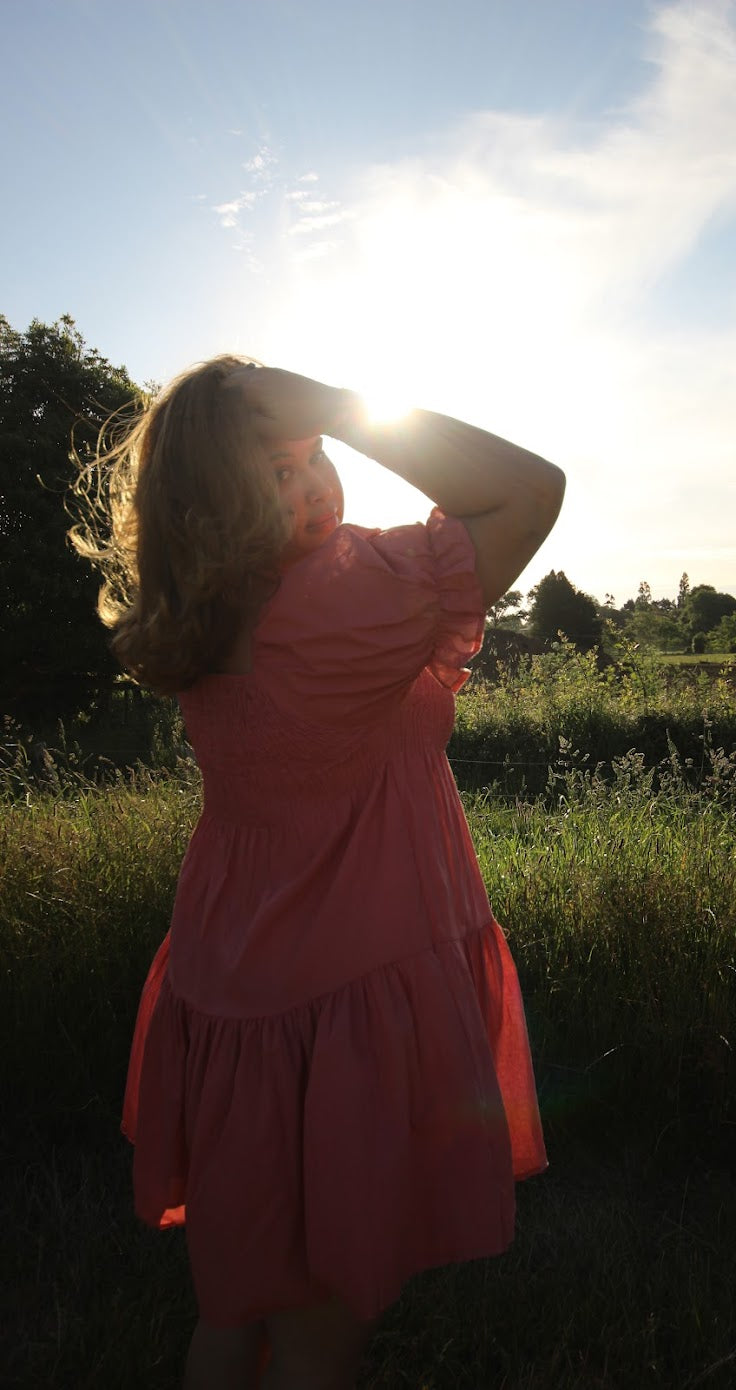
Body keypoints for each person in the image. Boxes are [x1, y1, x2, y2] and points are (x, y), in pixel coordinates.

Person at [75, 357, 565, 1389]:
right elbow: (528, 489)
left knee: (238, 1305)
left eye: (314, 458)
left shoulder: (210, 608)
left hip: (236, 995)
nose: (312, 489)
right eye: (275, 472)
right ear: (215, 502)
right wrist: (340, 404)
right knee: (319, 1335)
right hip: (336, 1007)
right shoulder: (335, 604)